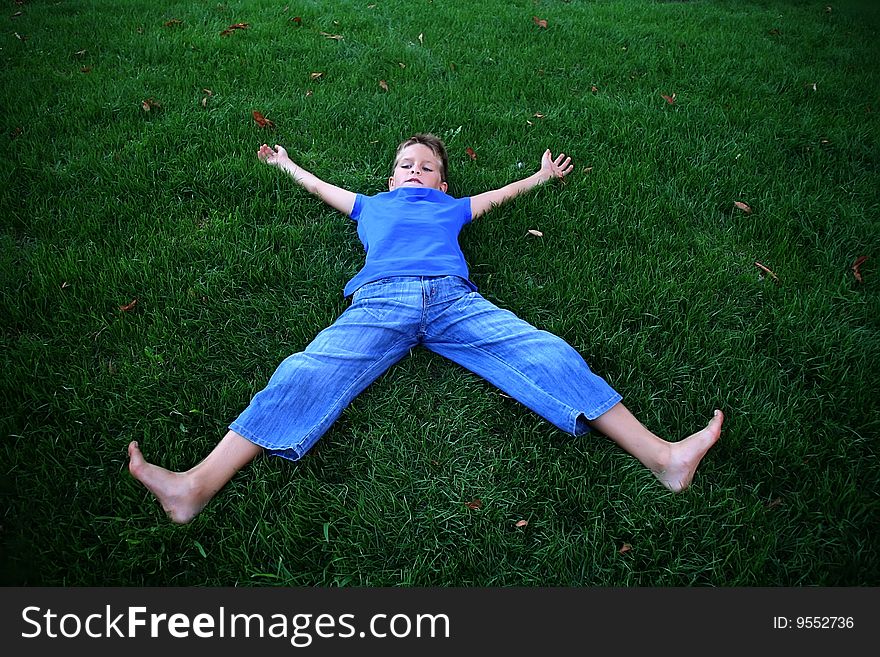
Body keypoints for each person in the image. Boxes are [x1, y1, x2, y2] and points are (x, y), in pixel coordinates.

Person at [128, 133, 723, 524]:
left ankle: (663, 458)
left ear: (442, 184)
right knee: (304, 370)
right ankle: (196, 486)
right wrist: (286, 165)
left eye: (427, 167)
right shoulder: (371, 205)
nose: (414, 171)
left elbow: (499, 196)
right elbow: (319, 188)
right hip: (378, 306)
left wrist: (540, 178)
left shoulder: (451, 206)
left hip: (453, 303)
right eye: (404, 165)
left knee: (547, 351)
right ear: (390, 180)